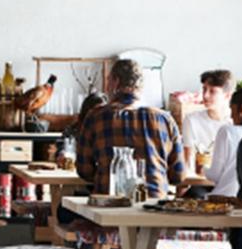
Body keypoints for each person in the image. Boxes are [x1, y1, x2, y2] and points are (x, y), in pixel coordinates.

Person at [77, 59, 184, 198]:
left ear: (115, 82)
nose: (106, 87)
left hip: (109, 209)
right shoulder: (164, 119)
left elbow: (84, 171)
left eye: (108, 81)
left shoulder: (96, 117)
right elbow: (178, 175)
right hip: (154, 208)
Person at [205, 87, 242, 198]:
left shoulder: (228, 131)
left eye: (232, 110)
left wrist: (202, 168)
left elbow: (215, 175)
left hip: (225, 199)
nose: (231, 116)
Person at [181, 69, 232, 172]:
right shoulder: (192, 120)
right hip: (201, 180)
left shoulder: (234, 122)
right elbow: (188, 161)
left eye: (212, 91)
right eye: (204, 89)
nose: (205, 95)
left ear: (227, 96)